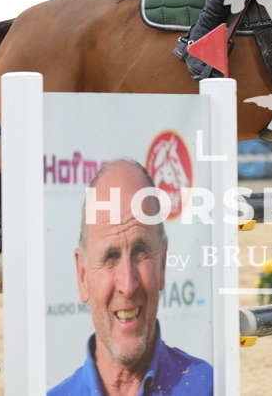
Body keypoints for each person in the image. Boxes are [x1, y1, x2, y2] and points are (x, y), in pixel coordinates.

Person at [49, 160, 212, 395]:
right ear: (82, 275)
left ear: (163, 265)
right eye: (111, 256)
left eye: (141, 252)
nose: (128, 284)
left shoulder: (210, 386)